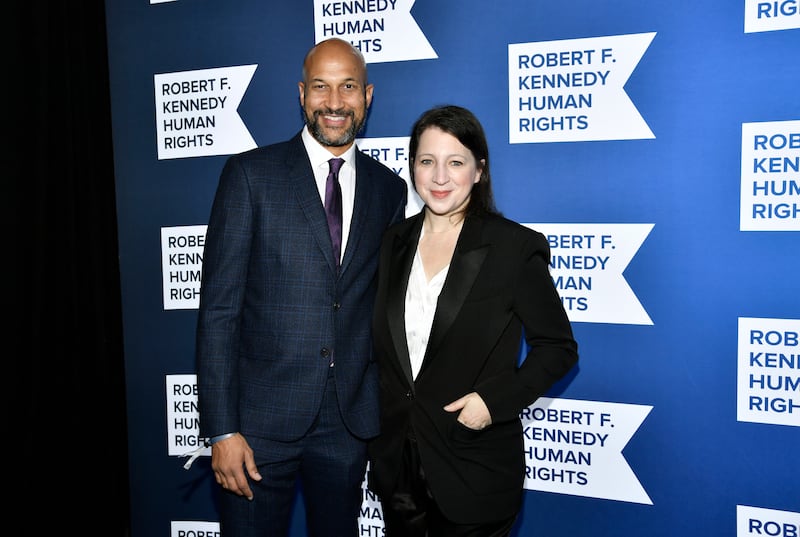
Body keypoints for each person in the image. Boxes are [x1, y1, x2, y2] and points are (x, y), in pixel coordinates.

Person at [195, 37, 407, 537]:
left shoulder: (389, 188)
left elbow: (385, 309)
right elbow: (220, 311)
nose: (334, 102)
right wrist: (222, 430)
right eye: (321, 87)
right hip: (258, 427)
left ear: (368, 96)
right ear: (301, 93)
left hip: (348, 425)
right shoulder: (251, 175)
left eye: (348, 87)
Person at [367, 105, 579, 537]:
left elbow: (557, 349)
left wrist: (492, 403)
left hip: (474, 468)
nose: (440, 177)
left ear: (479, 171)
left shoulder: (513, 248)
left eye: (456, 162)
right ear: (412, 168)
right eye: (427, 161)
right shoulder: (392, 242)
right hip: (398, 471)